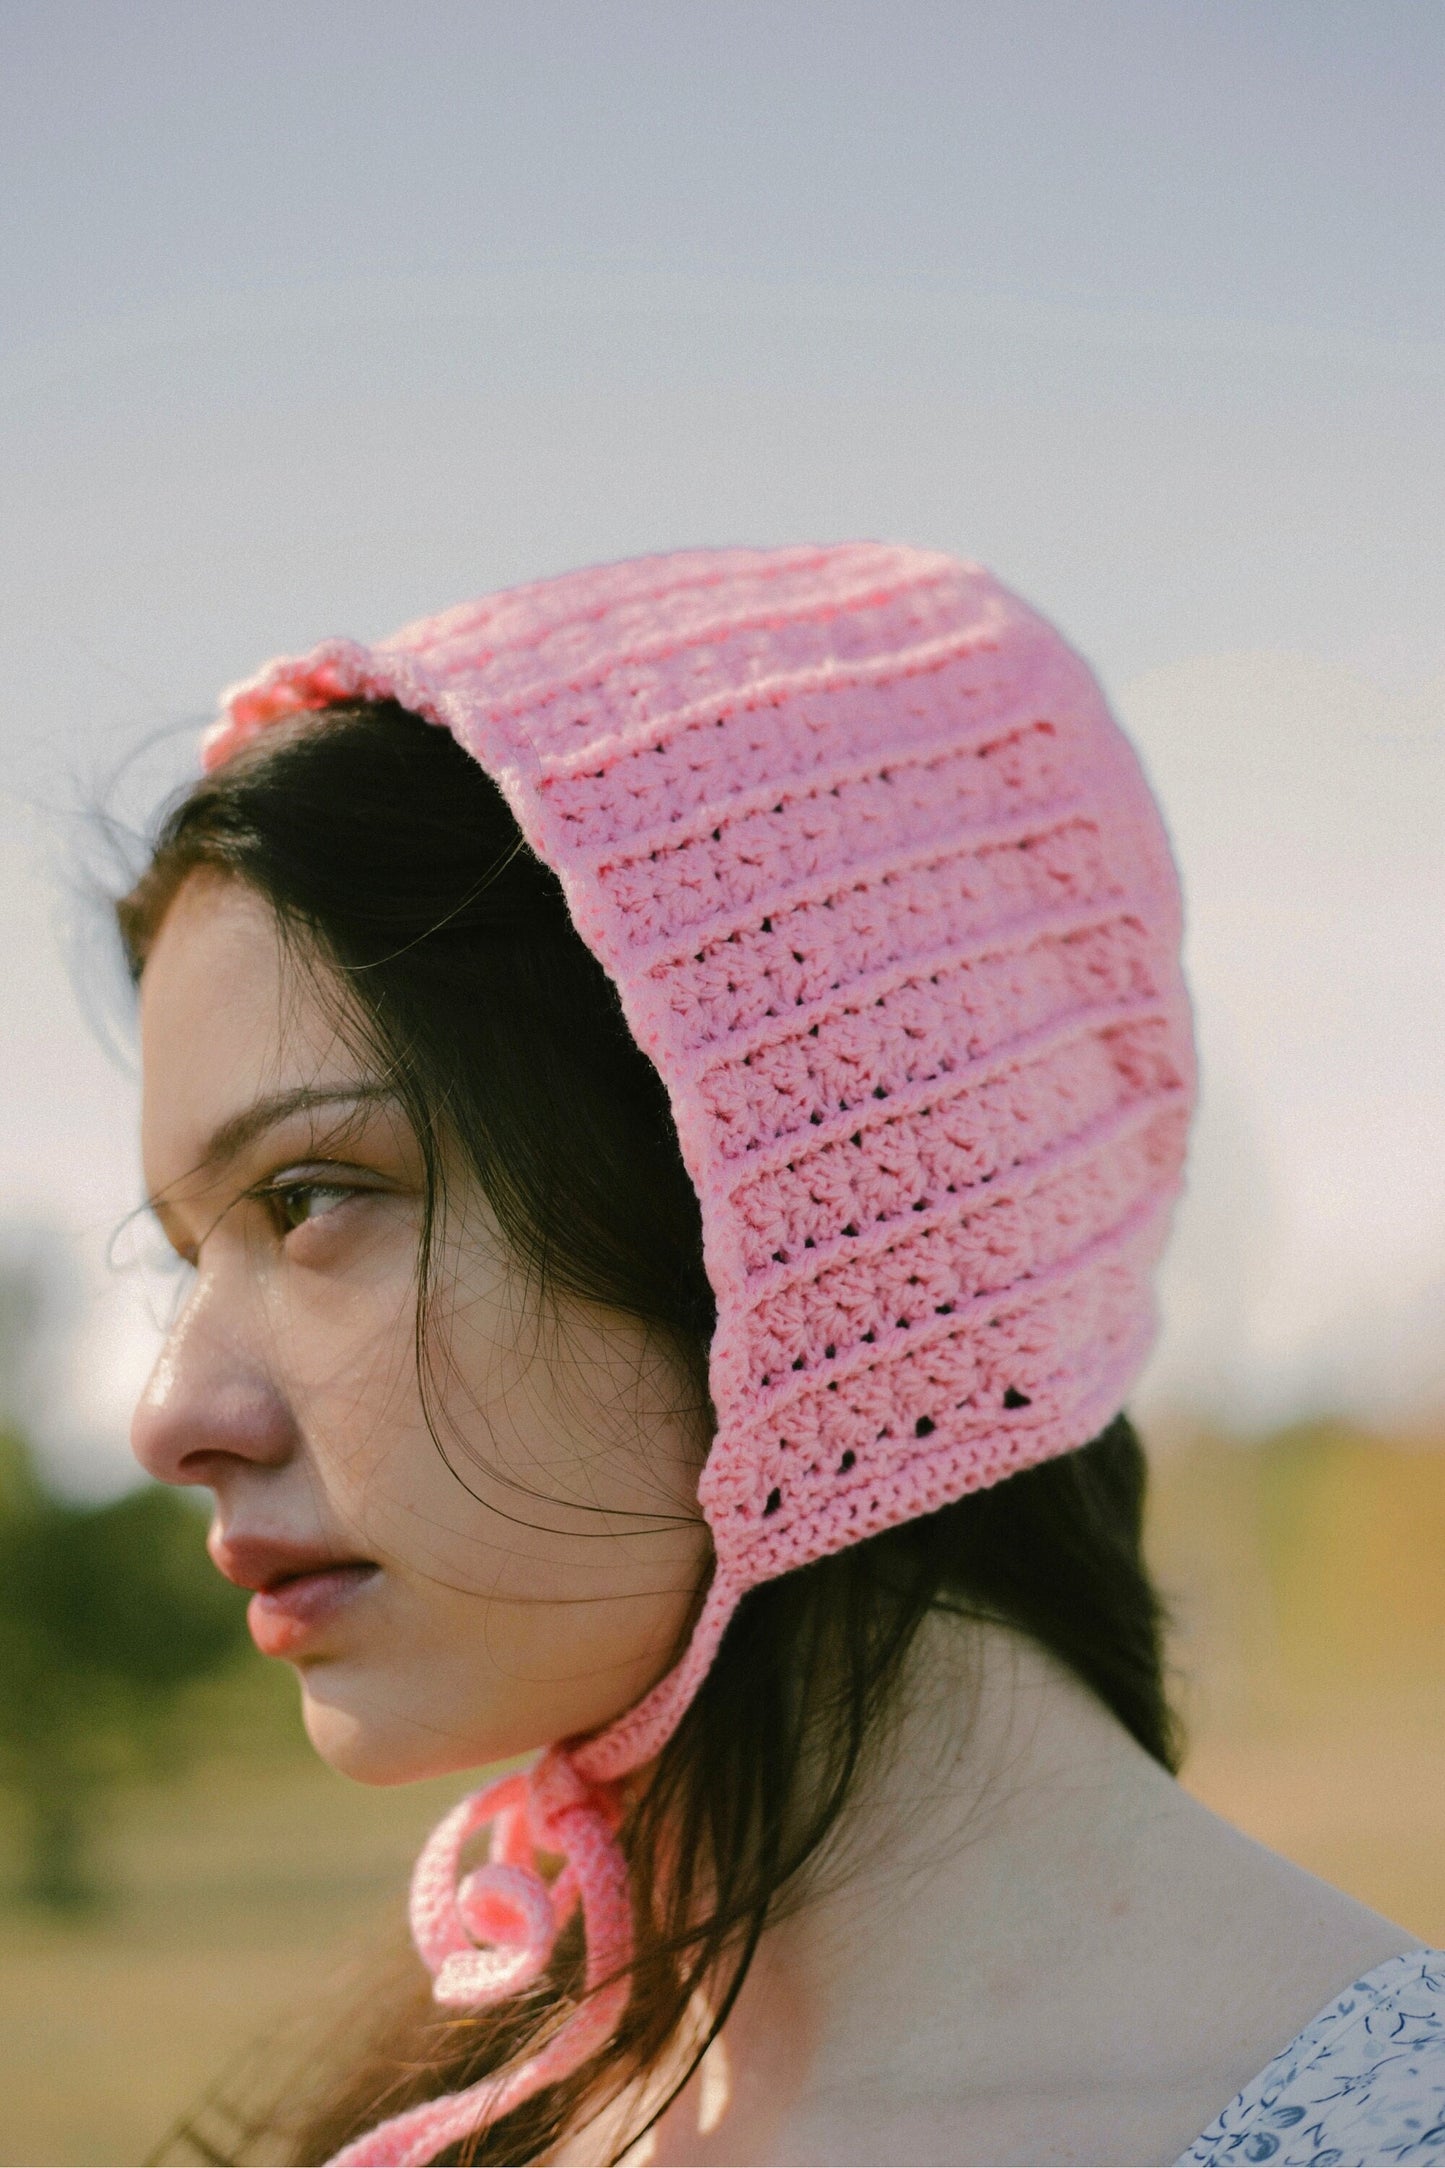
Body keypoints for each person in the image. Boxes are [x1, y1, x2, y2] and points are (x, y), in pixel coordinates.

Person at [121, 544, 1444, 2168]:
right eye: (187, 1255)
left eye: (308, 1197)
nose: (171, 1415)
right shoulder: (475, 2112)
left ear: (798, 1210)